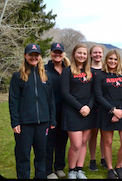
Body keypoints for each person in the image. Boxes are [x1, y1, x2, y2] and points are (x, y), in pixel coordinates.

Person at [9, 43, 56, 179]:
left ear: (40, 57)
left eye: (36, 55)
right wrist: (15, 122)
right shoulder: (18, 76)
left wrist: (52, 119)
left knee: (41, 155)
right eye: (31, 55)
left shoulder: (46, 76)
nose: (33, 58)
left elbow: (51, 99)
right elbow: (14, 101)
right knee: (23, 155)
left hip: (43, 123)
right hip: (24, 124)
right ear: (25, 56)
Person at [93, 50, 122, 179]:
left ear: (118, 60)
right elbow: (98, 95)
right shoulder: (100, 75)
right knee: (108, 142)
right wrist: (112, 110)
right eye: (110, 59)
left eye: (115, 59)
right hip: (107, 110)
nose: (113, 62)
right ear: (106, 59)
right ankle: (110, 168)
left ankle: (119, 167)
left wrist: (120, 110)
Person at [60, 43, 95, 179]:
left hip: (87, 111)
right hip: (73, 111)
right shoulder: (67, 71)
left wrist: (88, 107)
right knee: (75, 144)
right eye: (79, 53)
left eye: (84, 53)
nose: (82, 56)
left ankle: (79, 169)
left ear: (87, 56)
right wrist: (80, 107)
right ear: (74, 54)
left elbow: (94, 93)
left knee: (84, 141)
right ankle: (72, 170)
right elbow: (65, 93)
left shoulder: (90, 72)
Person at [45, 43, 70, 179]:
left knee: (62, 140)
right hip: (49, 111)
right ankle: (48, 170)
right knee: (49, 141)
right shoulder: (44, 69)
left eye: (60, 52)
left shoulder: (68, 69)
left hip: (65, 111)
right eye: (55, 52)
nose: (57, 54)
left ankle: (59, 167)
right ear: (51, 53)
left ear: (63, 54)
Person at [88, 44, 108, 171]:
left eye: (100, 53)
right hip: (91, 105)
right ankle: (92, 159)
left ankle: (104, 158)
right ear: (91, 54)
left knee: (105, 134)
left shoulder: (106, 70)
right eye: (95, 53)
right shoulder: (87, 69)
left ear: (103, 54)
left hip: (104, 106)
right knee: (93, 134)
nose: (97, 55)